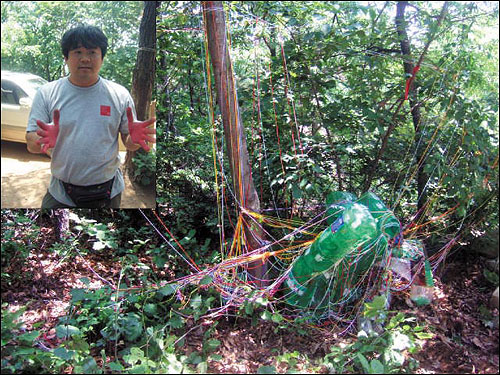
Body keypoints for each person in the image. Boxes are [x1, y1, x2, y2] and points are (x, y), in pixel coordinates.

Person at [26, 25, 155, 208]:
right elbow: (31, 143)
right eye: (77, 52)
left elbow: (129, 142)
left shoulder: (119, 94)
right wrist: (42, 140)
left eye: (92, 52)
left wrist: (133, 139)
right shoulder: (47, 93)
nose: (85, 58)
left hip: (109, 191)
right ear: (66, 57)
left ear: (102, 57)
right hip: (61, 192)